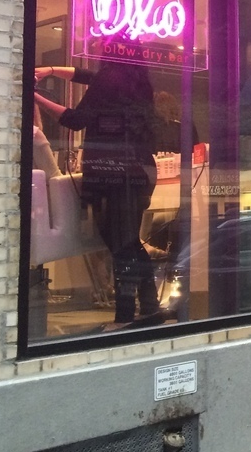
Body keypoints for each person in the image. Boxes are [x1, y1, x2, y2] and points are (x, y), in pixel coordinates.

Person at [34, 54, 164, 330]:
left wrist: (34, 97)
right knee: (129, 240)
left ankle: (125, 316)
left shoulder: (109, 77)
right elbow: (87, 77)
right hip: (142, 169)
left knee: (119, 243)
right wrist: (52, 69)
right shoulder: (135, 80)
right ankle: (149, 306)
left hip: (113, 171)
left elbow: (75, 119)